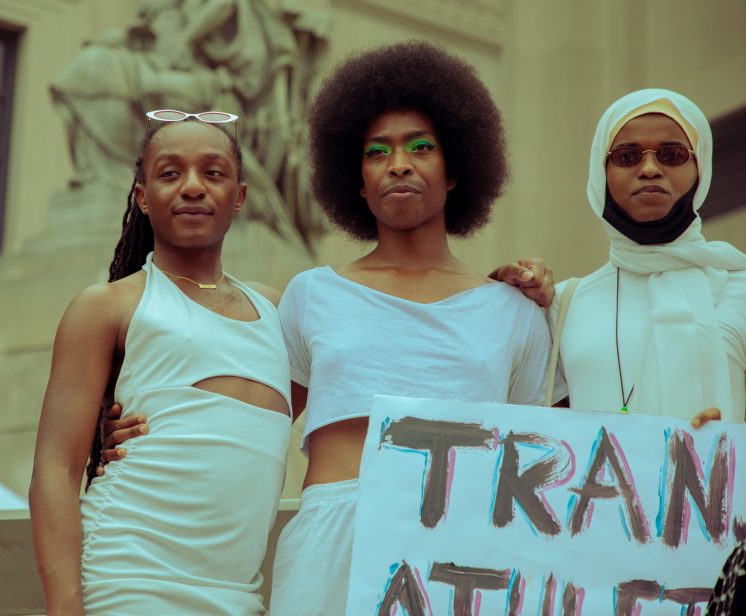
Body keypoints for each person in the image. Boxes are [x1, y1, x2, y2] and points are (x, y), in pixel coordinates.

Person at [98, 42, 562, 614]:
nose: (399, 163)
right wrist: (129, 429)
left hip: (466, 555)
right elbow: (251, 415)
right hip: (331, 550)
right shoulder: (311, 294)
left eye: (421, 147)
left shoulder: (516, 311)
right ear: (356, 179)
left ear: (456, 170)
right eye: (377, 152)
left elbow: (540, 466)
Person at [28, 113, 293, 615]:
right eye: (170, 173)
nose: (192, 186)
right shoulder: (108, 306)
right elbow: (55, 471)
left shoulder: (277, 312)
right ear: (142, 196)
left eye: (212, 172)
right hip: (128, 582)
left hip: (238, 598)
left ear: (239, 195)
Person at [547, 89, 746, 425]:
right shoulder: (562, 305)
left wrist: (728, 439)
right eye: (627, 156)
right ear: (601, 173)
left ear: (700, 167)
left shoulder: (740, 287)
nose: (650, 169)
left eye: (672, 154)